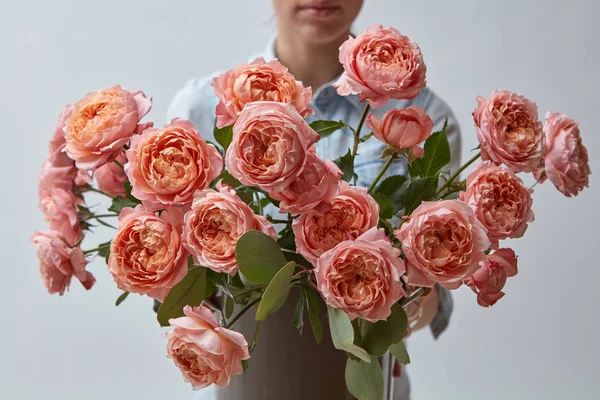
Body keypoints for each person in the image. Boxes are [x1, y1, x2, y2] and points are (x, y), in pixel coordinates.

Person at [167, 1, 461, 399]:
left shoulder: (422, 118)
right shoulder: (201, 110)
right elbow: (189, 288)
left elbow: (434, 289)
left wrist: (382, 302)